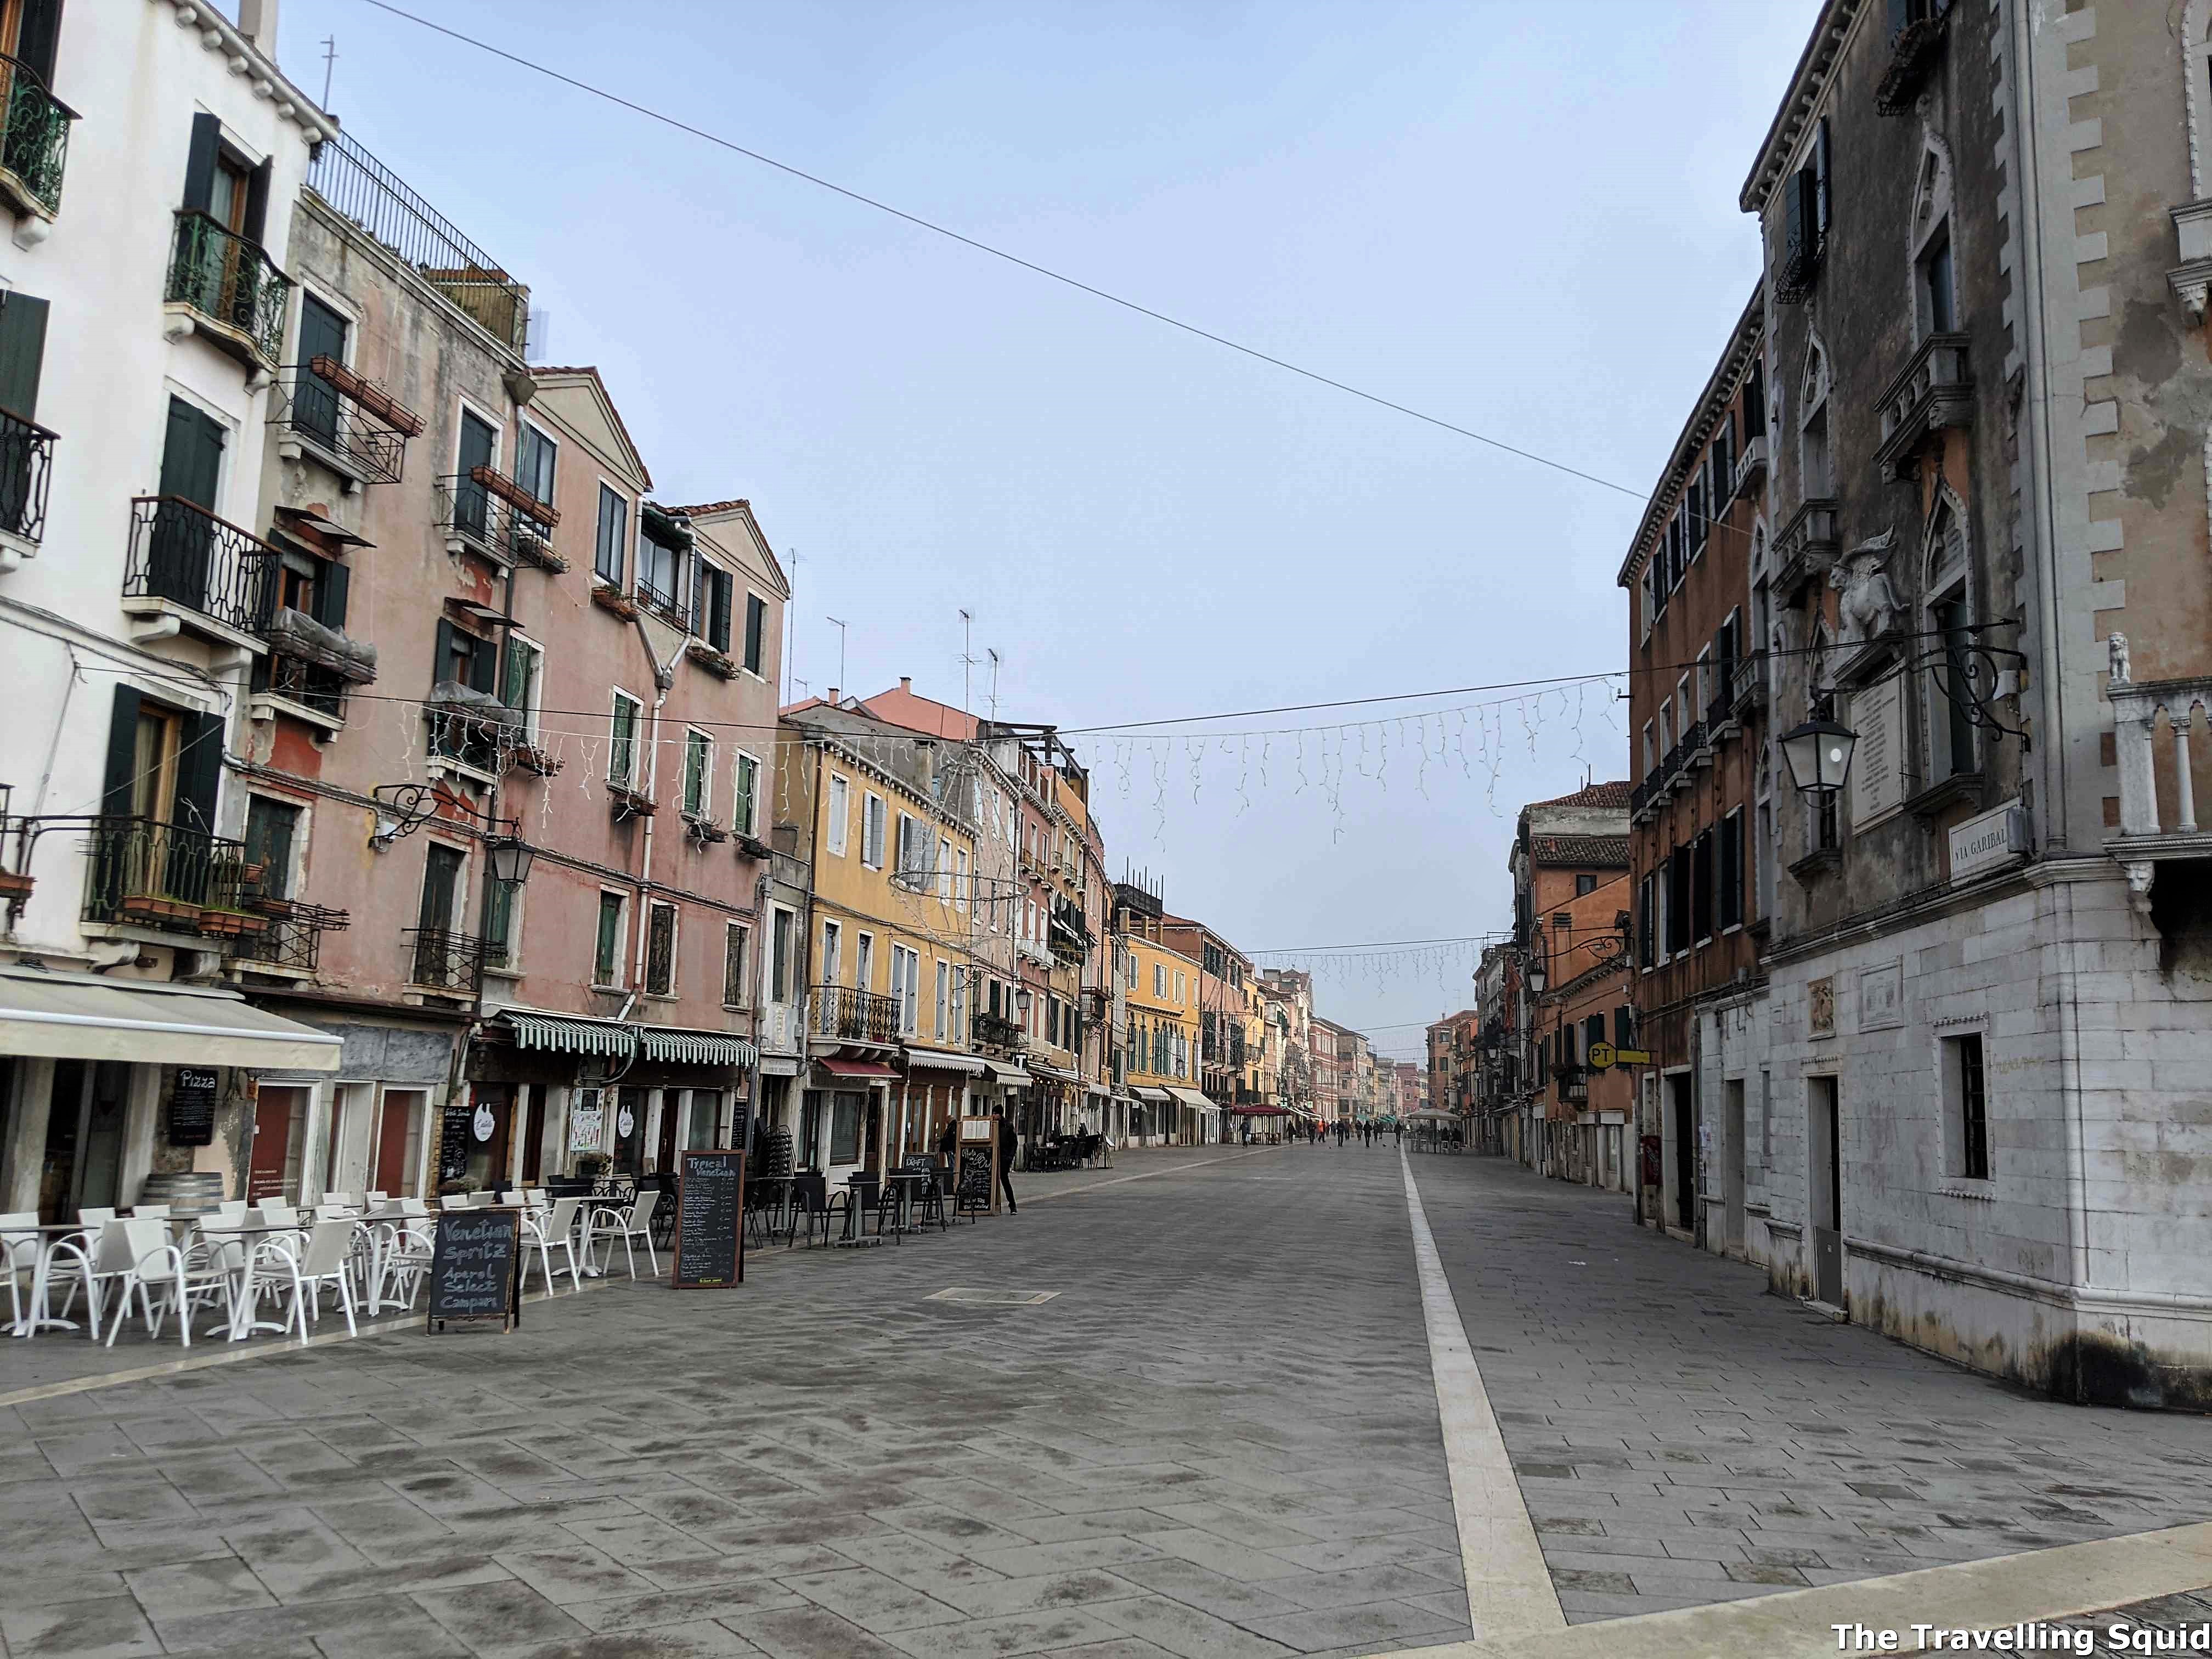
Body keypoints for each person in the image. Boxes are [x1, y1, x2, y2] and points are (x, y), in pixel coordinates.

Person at [992, 1108, 1019, 1214]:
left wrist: (1010, 1157)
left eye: (995, 1113)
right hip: (991, 1157)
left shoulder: (1007, 1126)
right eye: (993, 1113)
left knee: (1005, 1182)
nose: (993, 1116)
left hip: (1003, 1158)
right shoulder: (991, 1125)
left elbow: (1014, 1143)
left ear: (1000, 1114)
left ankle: (1012, 1205)